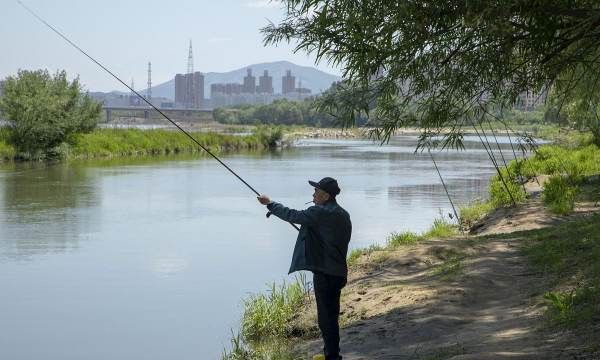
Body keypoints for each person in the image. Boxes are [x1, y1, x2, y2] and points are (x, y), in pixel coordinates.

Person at [257, 177, 352, 360]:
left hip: (325, 274)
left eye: (316, 191)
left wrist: (269, 204)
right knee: (332, 316)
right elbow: (331, 238)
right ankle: (332, 354)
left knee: (326, 320)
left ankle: (332, 356)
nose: (313, 194)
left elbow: (292, 215)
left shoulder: (319, 213)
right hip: (339, 273)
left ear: (325, 195)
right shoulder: (343, 214)